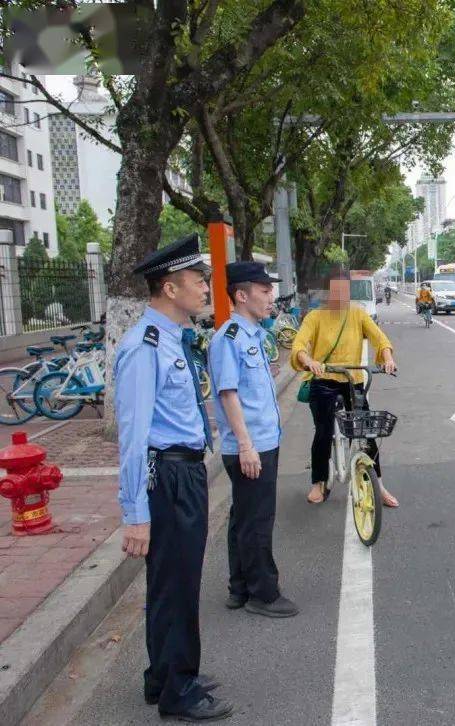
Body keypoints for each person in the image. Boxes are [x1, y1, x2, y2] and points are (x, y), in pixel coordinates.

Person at [114, 233, 232, 721]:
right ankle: (177, 693)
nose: (206, 288)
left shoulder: (169, 339)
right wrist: (134, 514)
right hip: (168, 477)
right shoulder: (145, 347)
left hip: (183, 472)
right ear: (169, 288)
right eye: (198, 281)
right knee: (175, 584)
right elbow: (133, 436)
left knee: (173, 583)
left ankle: (164, 675)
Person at [209, 262, 299, 619]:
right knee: (257, 520)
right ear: (242, 295)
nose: (270, 297)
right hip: (251, 446)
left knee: (243, 518)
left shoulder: (252, 334)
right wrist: (246, 446)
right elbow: (229, 395)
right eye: (264, 291)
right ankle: (263, 593)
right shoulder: (228, 338)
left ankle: (239, 587)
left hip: (261, 441)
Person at [290, 269, 398, 505]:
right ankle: (318, 482)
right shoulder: (315, 317)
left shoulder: (358, 314)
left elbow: (379, 338)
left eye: (345, 291)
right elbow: (299, 344)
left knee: (366, 432)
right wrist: (309, 361)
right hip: (324, 380)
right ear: (330, 292)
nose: (341, 296)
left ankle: (379, 486)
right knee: (323, 431)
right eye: (336, 291)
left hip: (353, 381)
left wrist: (388, 358)